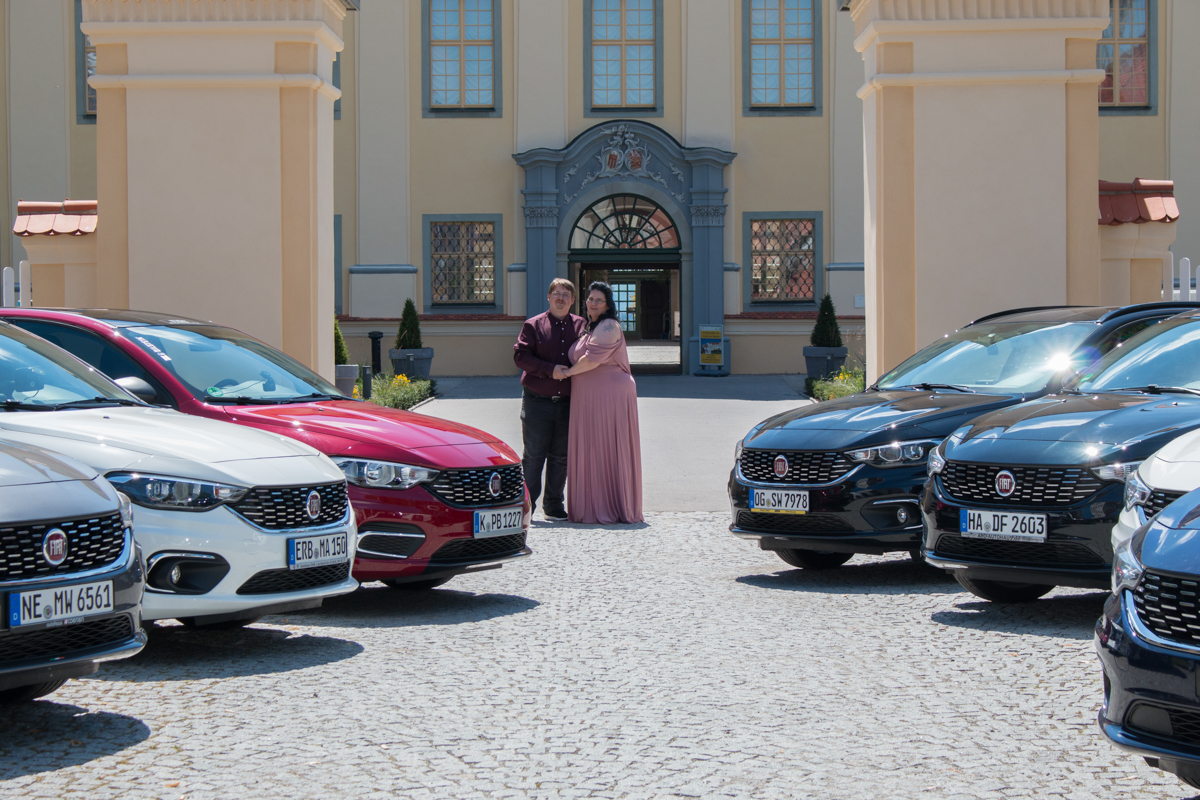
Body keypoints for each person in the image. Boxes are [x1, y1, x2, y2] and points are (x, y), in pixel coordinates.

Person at [554, 281, 644, 524]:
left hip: (610, 396)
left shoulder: (609, 326)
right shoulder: (589, 327)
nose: (593, 303)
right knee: (592, 448)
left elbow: (591, 360)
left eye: (599, 300)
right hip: (590, 396)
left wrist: (566, 373)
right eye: (591, 299)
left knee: (606, 448)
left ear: (607, 305)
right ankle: (592, 505)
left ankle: (610, 507)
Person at [513, 278, 587, 521]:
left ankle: (554, 505)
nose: (560, 298)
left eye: (566, 294)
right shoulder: (533, 325)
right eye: (556, 293)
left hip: (568, 403)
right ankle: (527, 506)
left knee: (561, 456)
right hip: (537, 401)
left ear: (572, 300)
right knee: (533, 456)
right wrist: (549, 369)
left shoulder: (582, 326)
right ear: (548, 297)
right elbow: (521, 357)